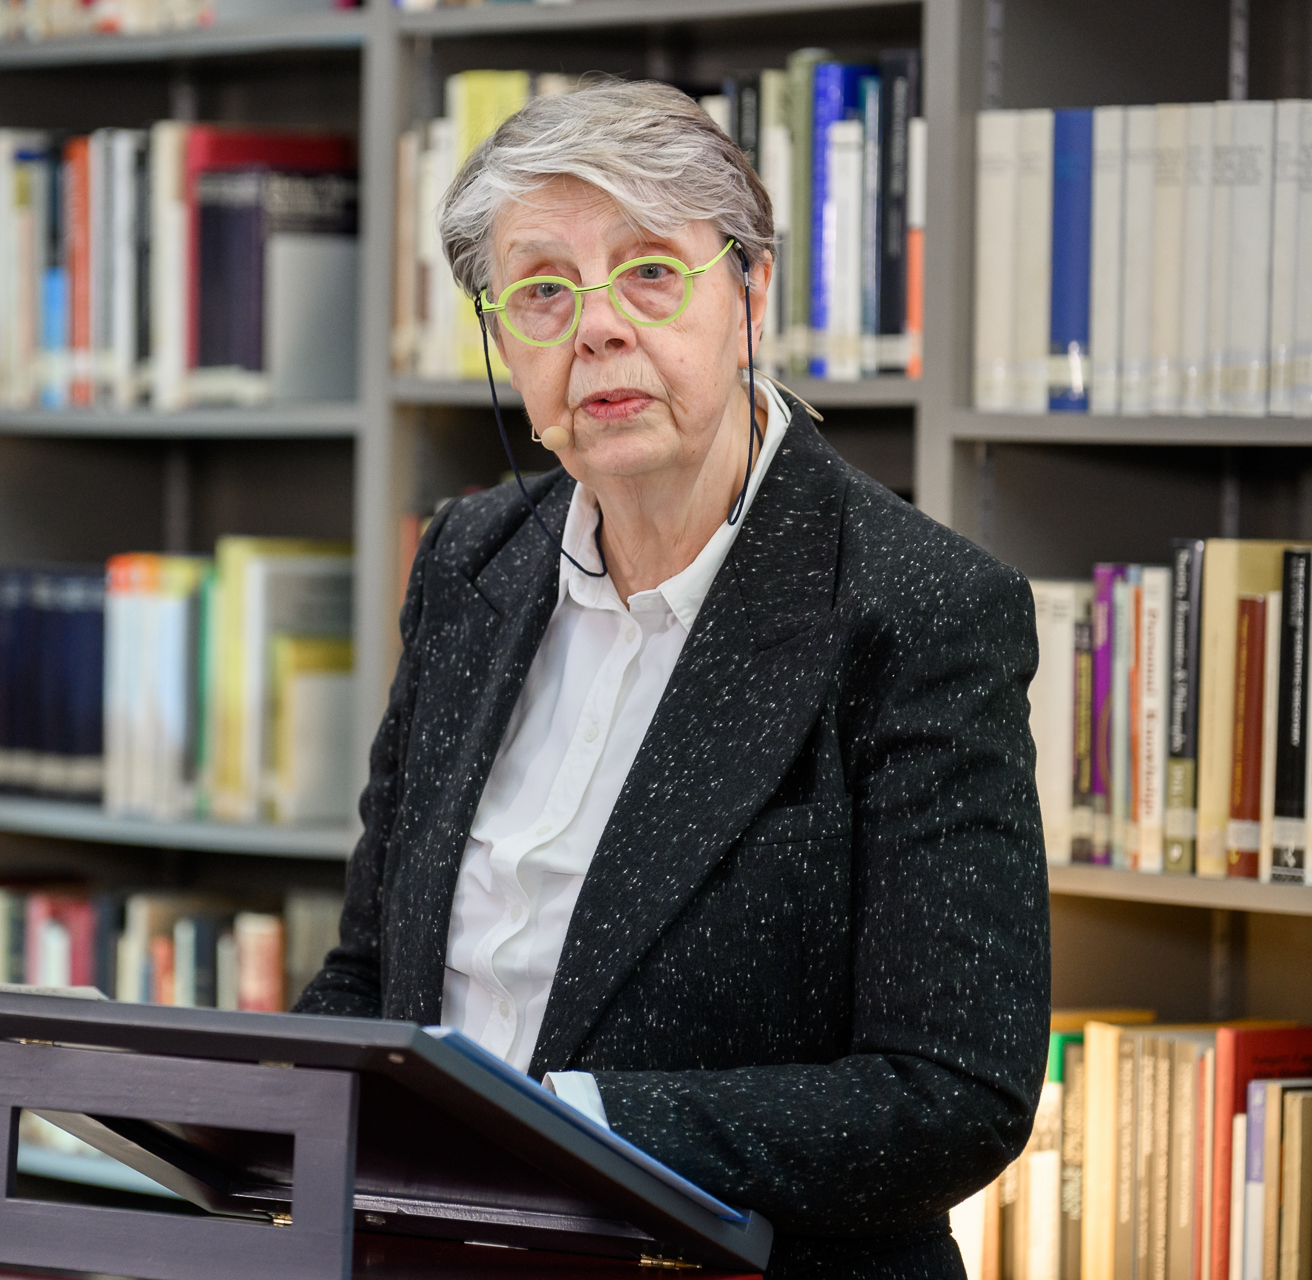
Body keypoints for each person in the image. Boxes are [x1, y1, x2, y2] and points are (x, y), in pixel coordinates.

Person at [295, 79, 1050, 1280]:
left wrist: (565, 1128)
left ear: (751, 292)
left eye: (649, 271)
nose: (594, 328)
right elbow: (373, 970)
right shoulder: (469, 561)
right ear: (500, 337)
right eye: (542, 290)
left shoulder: (918, 608)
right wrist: (246, 1104)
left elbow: (953, 1089)